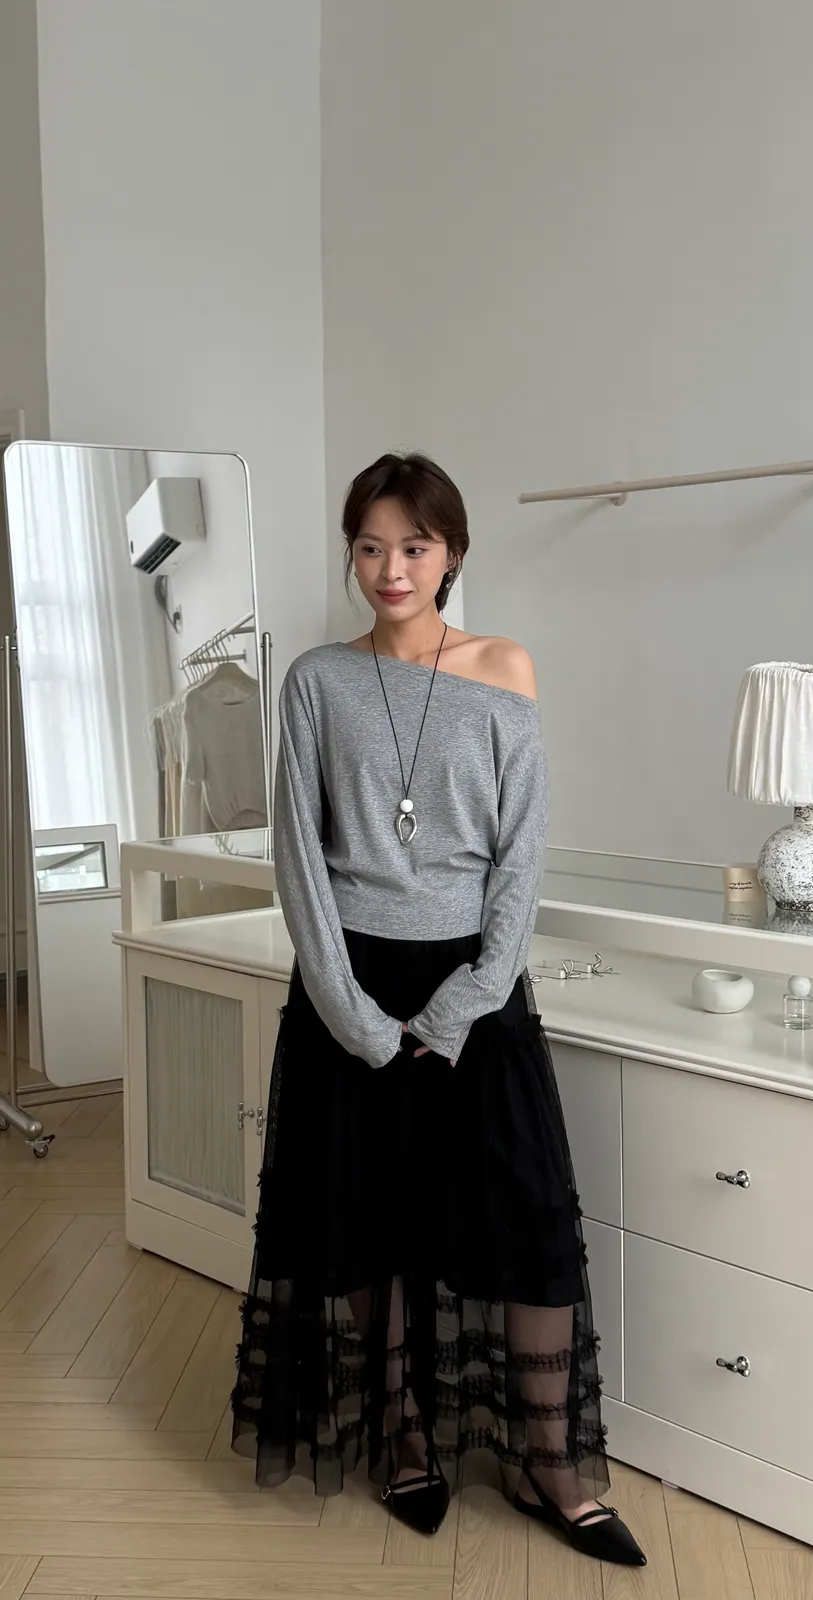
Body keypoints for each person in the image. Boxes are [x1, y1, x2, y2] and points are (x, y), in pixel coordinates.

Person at [230, 451, 645, 1567]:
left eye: (413, 546)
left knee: (525, 1222)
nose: (391, 568)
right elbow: (298, 860)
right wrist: (358, 1019)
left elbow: (522, 854)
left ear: (452, 551)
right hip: (349, 986)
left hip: (477, 986)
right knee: (368, 1219)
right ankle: (404, 1434)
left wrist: (466, 1001)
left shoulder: (505, 669)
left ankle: (549, 1463)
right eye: (370, 546)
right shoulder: (316, 681)